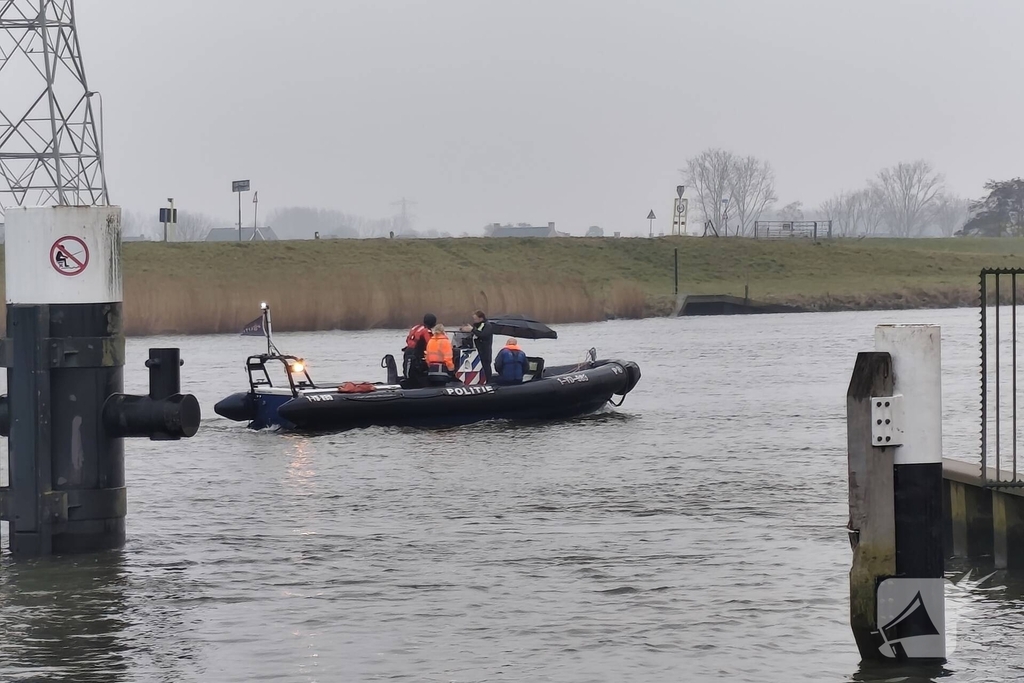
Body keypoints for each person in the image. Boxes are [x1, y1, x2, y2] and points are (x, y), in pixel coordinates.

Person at [460, 309, 493, 383]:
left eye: (475, 319)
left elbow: (483, 335)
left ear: (481, 318)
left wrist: (472, 329)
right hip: (476, 351)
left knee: (486, 366)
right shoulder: (476, 326)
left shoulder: (487, 325)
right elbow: (473, 335)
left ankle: (489, 381)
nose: (474, 320)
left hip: (484, 350)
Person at [403, 313, 436, 387]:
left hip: (408, 352)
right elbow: (430, 344)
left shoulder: (415, 327)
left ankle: (409, 381)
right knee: (418, 372)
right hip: (417, 355)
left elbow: (408, 340)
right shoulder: (426, 331)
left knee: (408, 372)